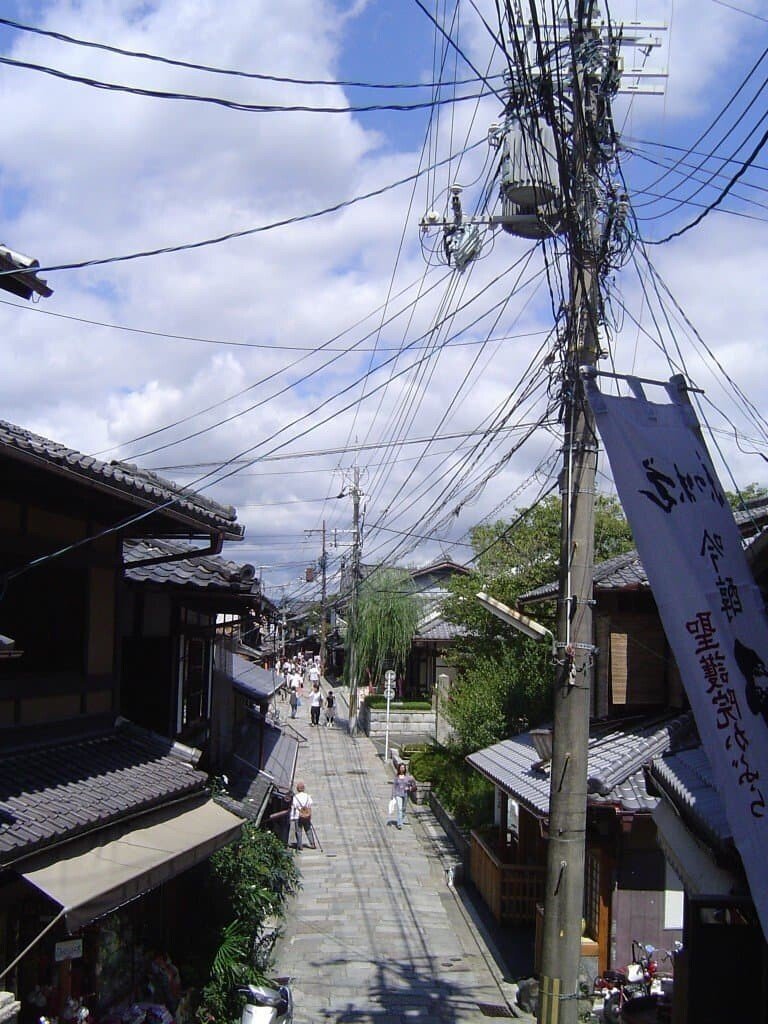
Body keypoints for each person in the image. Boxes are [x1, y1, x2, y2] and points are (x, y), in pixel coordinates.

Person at [392, 762, 416, 830]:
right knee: (399, 809)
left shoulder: (408, 777)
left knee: (404, 809)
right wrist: (393, 795)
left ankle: (401, 820)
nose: (402, 769)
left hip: (406, 794)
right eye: (401, 767)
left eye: (403, 767)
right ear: (399, 768)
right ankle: (399, 824)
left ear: (405, 769)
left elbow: (413, 785)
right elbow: (394, 786)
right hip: (398, 794)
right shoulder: (396, 777)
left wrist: (409, 788)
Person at [290, 781, 313, 850]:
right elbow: (310, 804)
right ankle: (312, 843)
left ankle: (300, 845)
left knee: (298, 831)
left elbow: (293, 806)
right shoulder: (307, 796)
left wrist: (292, 817)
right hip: (306, 815)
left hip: (298, 816)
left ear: (297, 789)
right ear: (303, 789)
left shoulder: (295, 797)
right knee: (308, 829)